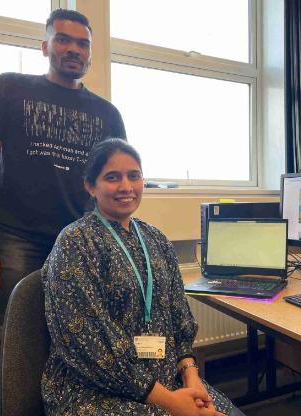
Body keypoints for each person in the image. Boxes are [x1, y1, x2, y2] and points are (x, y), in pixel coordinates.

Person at [0, 9, 126, 415]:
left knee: (74, 346)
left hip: (79, 241)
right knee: (2, 347)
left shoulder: (107, 114)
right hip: (15, 239)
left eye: (83, 43)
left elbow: (114, 183)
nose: (73, 49)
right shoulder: (6, 90)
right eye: (64, 39)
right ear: (45, 46)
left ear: (91, 52)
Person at [42, 138, 246, 416]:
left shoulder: (156, 239)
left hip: (167, 380)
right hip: (94, 391)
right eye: (112, 178)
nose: (126, 187)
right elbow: (89, 347)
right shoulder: (75, 243)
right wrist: (174, 404)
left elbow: (179, 318)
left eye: (134, 176)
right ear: (90, 186)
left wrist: (191, 377)